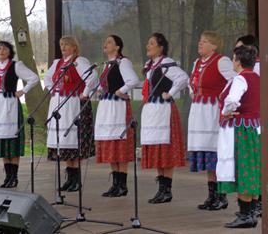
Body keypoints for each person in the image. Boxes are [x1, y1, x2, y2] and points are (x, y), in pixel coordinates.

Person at [0, 41, 39, 188]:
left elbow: (34, 78)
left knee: (12, 139)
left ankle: (14, 177)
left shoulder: (16, 66)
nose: (1, 51)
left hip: (11, 104)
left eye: (4, 48)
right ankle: (7, 176)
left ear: (10, 52)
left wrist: (23, 91)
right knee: (2, 139)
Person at [188, 31, 237, 210]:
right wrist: (192, 91)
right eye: (200, 40)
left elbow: (235, 81)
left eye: (205, 41)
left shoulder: (221, 61)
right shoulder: (197, 62)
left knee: (215, 153)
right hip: (199, 112)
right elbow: (190, 81)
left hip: (212, 112)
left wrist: (223, 99)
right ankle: (212, 195)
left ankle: (221, 196)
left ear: (214, 46)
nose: (200, 43)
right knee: (208, 154)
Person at [44, 36, 98, 192]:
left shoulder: (79, 61)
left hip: (73, 103)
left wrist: (85, 92)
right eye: (61, 44)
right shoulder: (58, 63)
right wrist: (53, 90)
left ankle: (76, 180)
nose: (63, 47)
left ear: (74, 47)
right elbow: (47, 78)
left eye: (66, 44)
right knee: (65, 142)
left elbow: (92, 76)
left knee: (73, 139)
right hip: (60, 103)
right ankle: (70, 178)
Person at [140, 33, 188, 204]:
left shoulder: (166, 63)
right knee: (158, 149)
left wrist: (170, 93)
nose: (148, 45)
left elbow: (183, 78)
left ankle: (167, 191)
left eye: (151, 43)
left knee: (165, 149)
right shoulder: (150, 65)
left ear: (160, 48)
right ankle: (162, 190)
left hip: (164, 110)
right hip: (153, 111)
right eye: (148, 42)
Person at [216, 45, 260, 228]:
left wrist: (227, 111)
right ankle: (251, 215)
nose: (233, 62)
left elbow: (232, 100)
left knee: (242, 169)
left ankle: (244, 216)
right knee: (253, 169)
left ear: (238, 61)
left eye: (234, 59)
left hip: (241, 130)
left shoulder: (241, 79)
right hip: (255, 128)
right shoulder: (257, 78)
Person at [95, 35, 139, 197]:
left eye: (110, 42)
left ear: (118, 47)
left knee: (119, 143)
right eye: (105, 41)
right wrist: (100, 90)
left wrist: (120, 92)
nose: (105, 44)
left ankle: (123, 185)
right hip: (107, 108)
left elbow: (133, 80)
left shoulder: (122, 62)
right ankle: (115, 184)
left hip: (118, 108)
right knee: (110, 143)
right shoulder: (107, 64)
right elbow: (104, 83)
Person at [234, 34, 261, 217]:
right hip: (255, 119)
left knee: (251, 163)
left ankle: (253, 207)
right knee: (254, 163)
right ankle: (252, 208)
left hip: (251, 121)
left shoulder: (254, 70)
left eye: (240, 49)